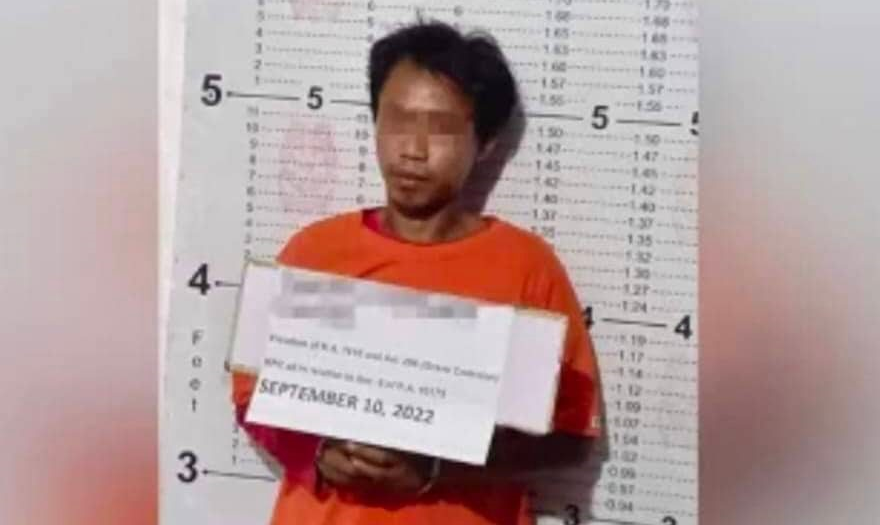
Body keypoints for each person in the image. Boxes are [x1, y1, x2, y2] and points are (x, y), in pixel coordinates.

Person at [232, 20, 602, 525]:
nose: (412, 149)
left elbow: (570, 437)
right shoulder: (313, 253)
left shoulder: (526, 268)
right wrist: (315, 454)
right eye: (397, 120)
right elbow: (252, 397)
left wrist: (438, 469)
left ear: (486, 142)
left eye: (441, 129)